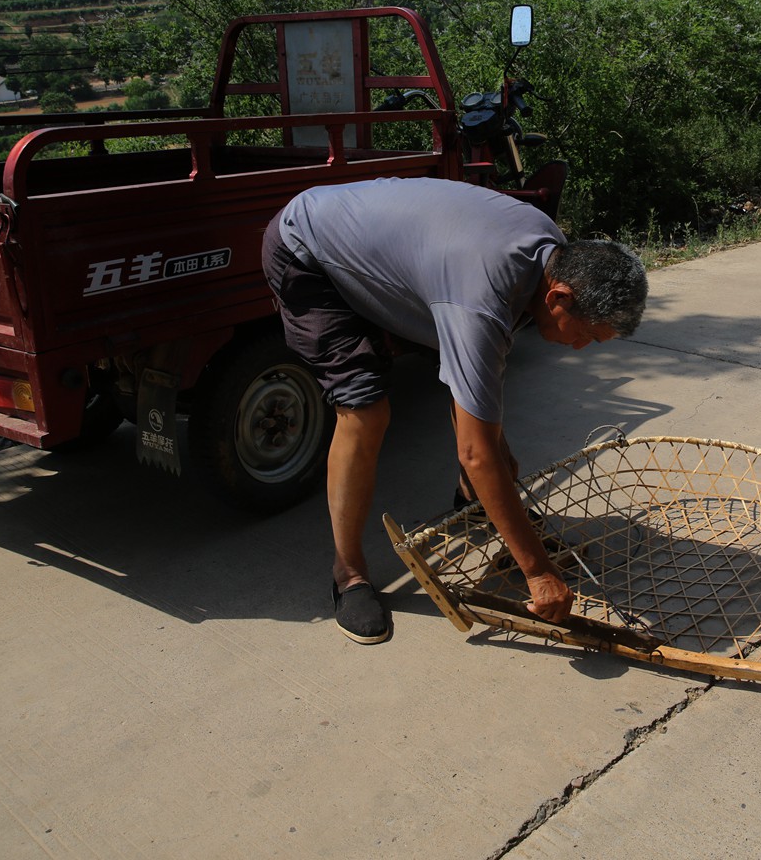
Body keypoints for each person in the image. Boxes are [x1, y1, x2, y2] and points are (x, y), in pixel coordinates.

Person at [261, 176, 648, 644]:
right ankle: (348, 574)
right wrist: (538, 572)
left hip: (393, 257)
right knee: (365, 409)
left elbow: (477, 383)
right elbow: (475, 453)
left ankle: (477, 505)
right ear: (559, 297)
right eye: (587, 334)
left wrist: (496, 466)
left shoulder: (550, 253)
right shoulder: (481, 298)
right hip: (309, 250)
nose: (581, 347)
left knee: (484, 418)